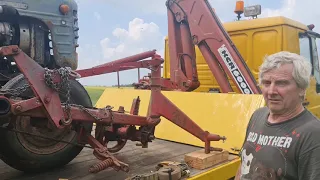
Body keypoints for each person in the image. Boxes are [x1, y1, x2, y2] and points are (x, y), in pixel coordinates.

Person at [235, 51, 320, 180]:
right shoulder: (258, 115)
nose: (271, 91)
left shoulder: (312, 133)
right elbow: (243, 164)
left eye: (281, 83)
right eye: (267, 83)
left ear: (302, 89)